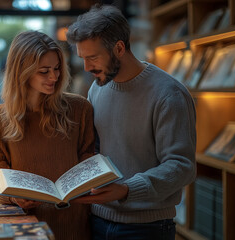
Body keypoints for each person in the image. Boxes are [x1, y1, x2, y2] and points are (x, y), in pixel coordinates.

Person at [66, 4, 197, 240]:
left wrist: (126, 190)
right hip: (96, 220)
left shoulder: (169, 94)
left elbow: (181, 166)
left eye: (93, 57)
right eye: (82, 58)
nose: (87, 68)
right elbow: (96, 150)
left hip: (146, 227)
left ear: (118, 48)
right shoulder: (97, 89)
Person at [0, 31, 95, 240]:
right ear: (22, 72)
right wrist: (14, 197)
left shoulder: (80, 109)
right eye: (44, 71)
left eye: (56, 69)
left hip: (74, 227)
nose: (54, 77)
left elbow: (88, 158)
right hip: (25, 230)